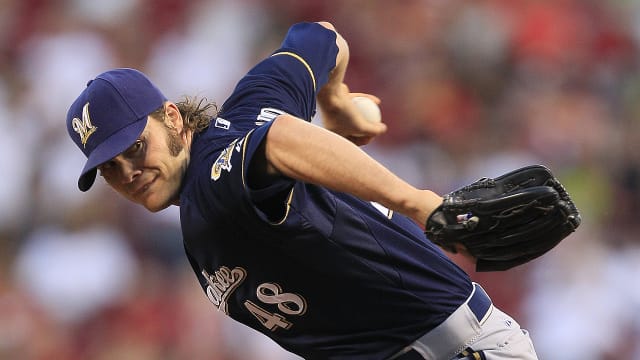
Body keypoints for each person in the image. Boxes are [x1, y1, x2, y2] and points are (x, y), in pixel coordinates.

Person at [66, 21, 538, 360]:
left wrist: (419, 202)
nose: (127, 170)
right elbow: (317, 37)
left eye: (135, 146)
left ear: (171, 117)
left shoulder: (211, 189)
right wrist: (335, 107)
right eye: (109, 167)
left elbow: (276, 142)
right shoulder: (251, 105)